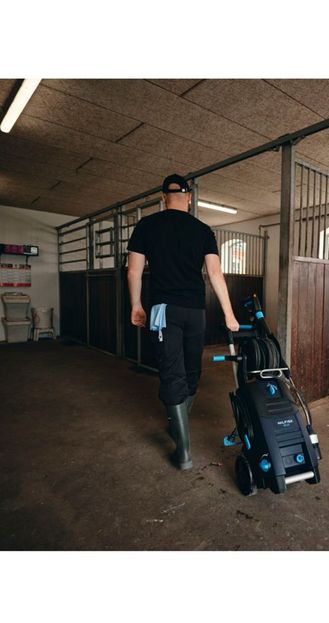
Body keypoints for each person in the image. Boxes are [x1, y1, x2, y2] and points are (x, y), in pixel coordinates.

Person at [126, 174, 240, 470]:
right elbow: (215, 274)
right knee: (191, 371)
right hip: (195, 311)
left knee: (171, 371)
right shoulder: (203, 230)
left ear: (163, 197)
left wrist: (136, 305)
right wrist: (229, 314)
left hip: (164, 310)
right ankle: (179, 427)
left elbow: (134, 272)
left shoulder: (146, 225)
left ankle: (184, 451)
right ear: (189, 197)